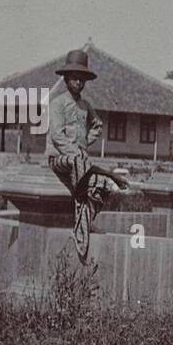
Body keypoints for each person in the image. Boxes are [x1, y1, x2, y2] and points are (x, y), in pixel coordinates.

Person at [46, 48, 128, 261]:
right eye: (74, 79)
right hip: (60, 158)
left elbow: (97, 125)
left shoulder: (85, 105)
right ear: (66, 79)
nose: (78, 83)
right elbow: (56, 135)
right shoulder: (57, 103)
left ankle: (81, 232)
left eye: (82, 79)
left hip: (79, 160)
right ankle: (83, 192)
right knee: (80, 163)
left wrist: (84, 143)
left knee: (101, 184)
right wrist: (77, 151)